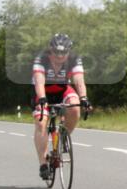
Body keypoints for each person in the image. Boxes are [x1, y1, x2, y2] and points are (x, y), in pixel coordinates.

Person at [32, 33, 90, 180]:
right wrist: (42, 99)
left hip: (63, 90)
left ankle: (64, 136)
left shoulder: (74, 59)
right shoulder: (41, 58)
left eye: (63, 52)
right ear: (50, 50)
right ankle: (43, 164)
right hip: (44, 91)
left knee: (75, 107)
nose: (59, 56)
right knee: (41, 122)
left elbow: (79, 80)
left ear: (68, 51)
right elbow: (39, 81)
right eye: (56, 52)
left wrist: (83, 98)